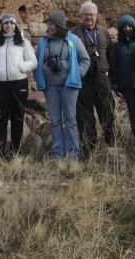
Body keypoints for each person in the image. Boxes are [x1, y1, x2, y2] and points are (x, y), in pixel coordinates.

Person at [34, 11, 90, 159]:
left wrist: (78, 74)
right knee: (55, 120)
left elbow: (85, 60)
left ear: (59, 26)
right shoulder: (43, 42)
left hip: (69, 86)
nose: (48, 27)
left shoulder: (73, 40)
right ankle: (58, 154)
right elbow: (35, 62)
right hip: (50, 87)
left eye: (51, 24)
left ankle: (73, 155)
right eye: (48, 24)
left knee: (70, 120)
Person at [0, 13, 37, 158]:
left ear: (15, 26)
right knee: (0, 118)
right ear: (2, 26)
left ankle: (15, 152)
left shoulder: (23, 43)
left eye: (12, 23)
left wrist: (21, 66)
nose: (9, 26)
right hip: (1, 85)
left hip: (19, 84)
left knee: (18, 118)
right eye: (6, 23)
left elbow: (33, 62)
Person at [72, 1, 117, 156]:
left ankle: (111, 144)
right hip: (82, 79)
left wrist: (112, 78)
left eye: (91, 14)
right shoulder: (73, 34)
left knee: (107, 111)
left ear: (97, 16)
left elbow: (111, 55)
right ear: (80, 17)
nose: (89, 18)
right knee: (84, 115)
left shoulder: (104, 33)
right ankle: (89, 148)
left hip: (101, 79)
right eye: (86, 15)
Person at [108, 14, 135, 148]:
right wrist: (114, 82)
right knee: (133, 113)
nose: (127, 29)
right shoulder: (117, 46)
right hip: (127, 83)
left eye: (130, 26)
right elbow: (113, 65)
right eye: (124, 27)